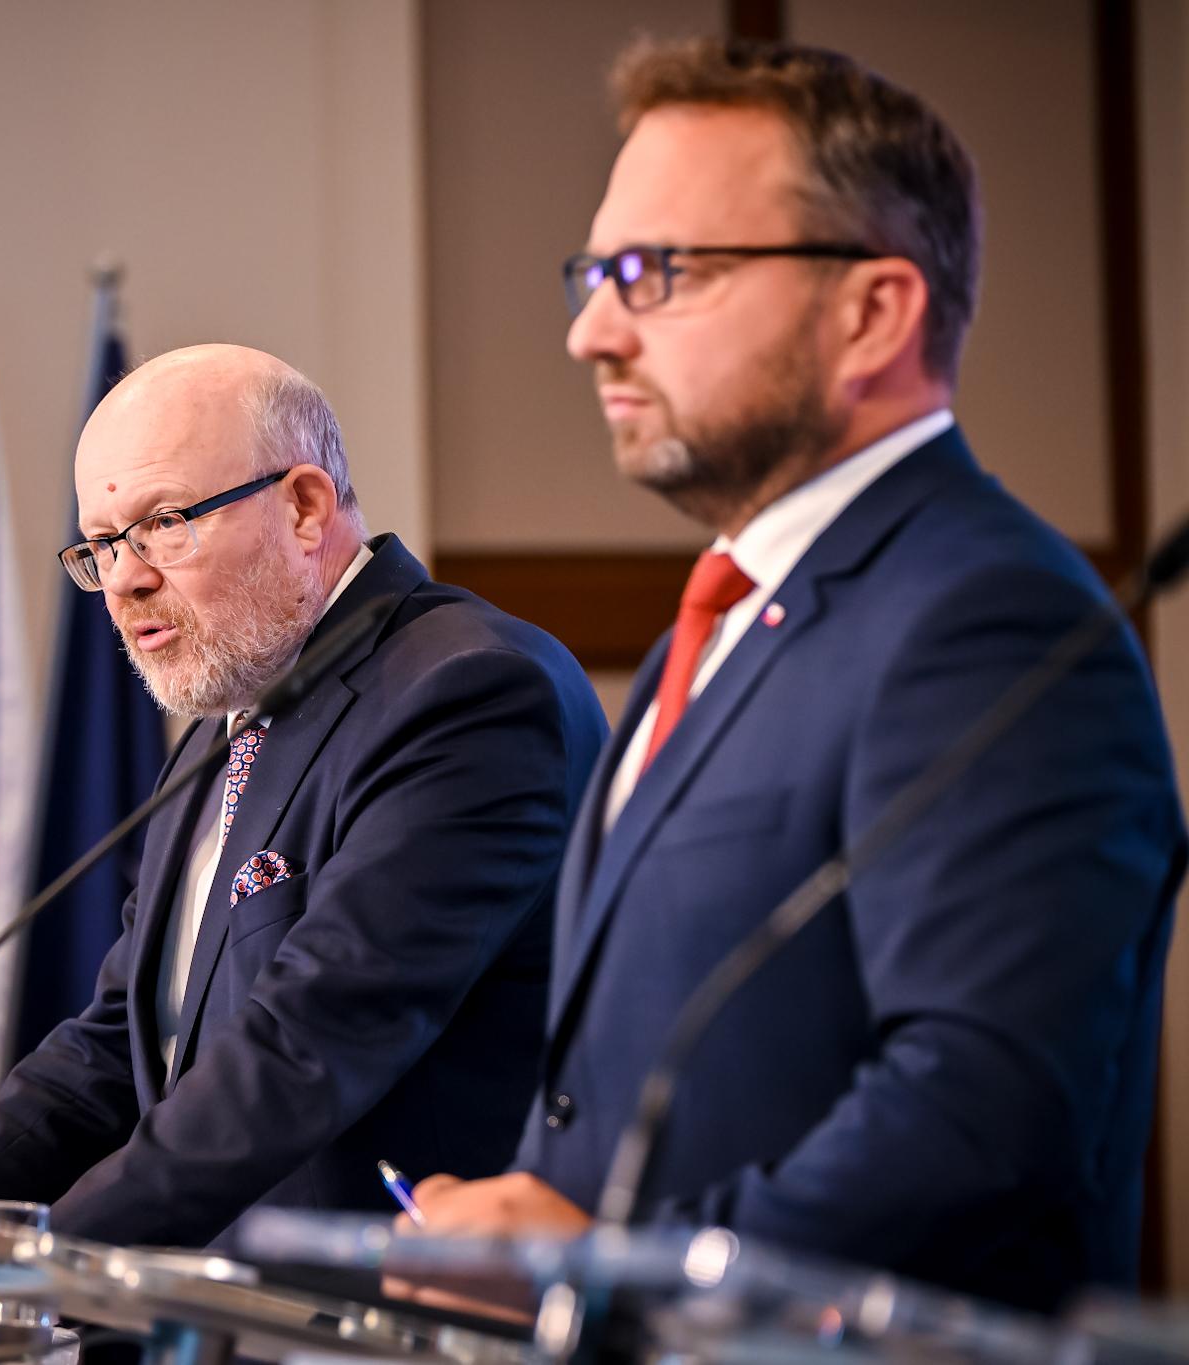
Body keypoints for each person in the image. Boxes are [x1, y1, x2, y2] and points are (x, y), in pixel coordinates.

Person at [404, 37, 1185, 1313]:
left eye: (656, 273)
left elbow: (977, 1124)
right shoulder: (704, 631)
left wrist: (600, 1276)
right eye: (592, 276)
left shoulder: (986, 615)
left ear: (870, 311)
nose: (591, 334)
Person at [0, 343, 608, 1250]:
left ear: (305, 508)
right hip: (219, 1319)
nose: (124, 579)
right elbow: (115, 1051)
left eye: (163, 523)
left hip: (393, 1326)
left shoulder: (468, 693)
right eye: (104, 545)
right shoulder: (226, 721)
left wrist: (21, 1267)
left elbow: (303, 1045)